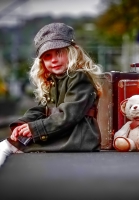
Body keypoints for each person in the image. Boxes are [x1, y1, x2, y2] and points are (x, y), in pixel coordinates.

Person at [0, 22, 103, 167]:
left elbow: (68, 115)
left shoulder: (79, 78)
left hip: (78, 137)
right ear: (42, 62)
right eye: (47, 56)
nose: (54, 59)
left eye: (59, 53)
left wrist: (35, 128)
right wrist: (24, 123)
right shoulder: (53, 81)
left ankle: (6, 148)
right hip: (65, 132)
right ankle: (7, 147)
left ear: (72, 52)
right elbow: (44, 109)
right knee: (20, 142)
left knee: (18, 145)